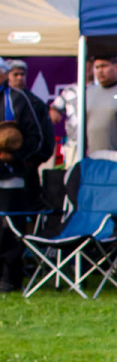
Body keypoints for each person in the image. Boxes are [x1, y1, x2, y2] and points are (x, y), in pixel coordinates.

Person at [0, 65, 54, 290]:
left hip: (10, 177)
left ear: (4, 74)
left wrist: (13, 157)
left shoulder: (19, 100)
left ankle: (9, 278)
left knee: (8, 229)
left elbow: (38, 138)